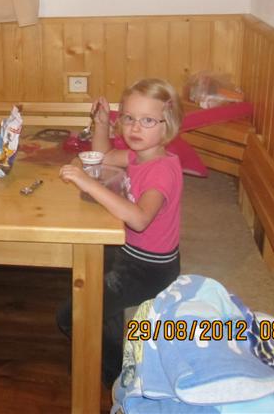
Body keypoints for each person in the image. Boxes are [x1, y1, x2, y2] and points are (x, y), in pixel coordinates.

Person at [57, 77, 184, 386]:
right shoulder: (140, 155)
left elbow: (139, 219)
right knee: (93, 273)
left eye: (147, 120)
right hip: (130, 253)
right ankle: (100, 350)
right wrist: (101, 124)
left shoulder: (161, 171)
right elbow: (102, 154)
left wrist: (88, 183)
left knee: (70, 316)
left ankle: (118, 375)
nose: (135, 128)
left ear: (167, 125)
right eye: (129, 118)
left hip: (149, 269)